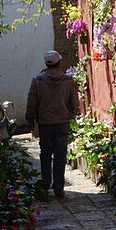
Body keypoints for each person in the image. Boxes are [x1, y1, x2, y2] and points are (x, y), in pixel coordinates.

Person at [26, 50, 79, 200]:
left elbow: (31, 103)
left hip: (45, 123)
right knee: (61, 155)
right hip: (62, 123)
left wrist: (30, 120)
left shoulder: (37, 81)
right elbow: (74, 104)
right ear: (59, 63)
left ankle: (45, 184)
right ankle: (59, 188)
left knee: (45, 154)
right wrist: (71, 115)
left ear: (46, 64)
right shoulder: (68, 81)